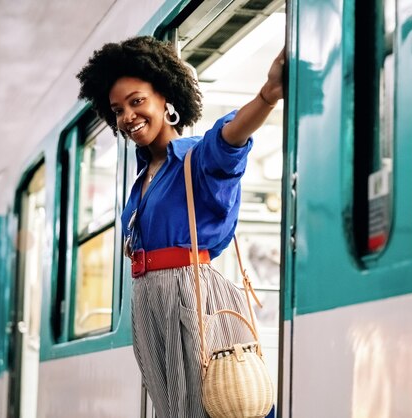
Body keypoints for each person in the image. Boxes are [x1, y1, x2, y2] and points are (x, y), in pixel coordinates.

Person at [76, 35, 283, 418]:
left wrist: (267, 96)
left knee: (220, 404)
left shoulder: (193, 157)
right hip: (150, 300)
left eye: (137, 101)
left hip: (191, 295)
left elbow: (230, 141)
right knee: (176, 409)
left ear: (166, 99)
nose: (127, 117)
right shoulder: (142, 180)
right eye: (117, 109)